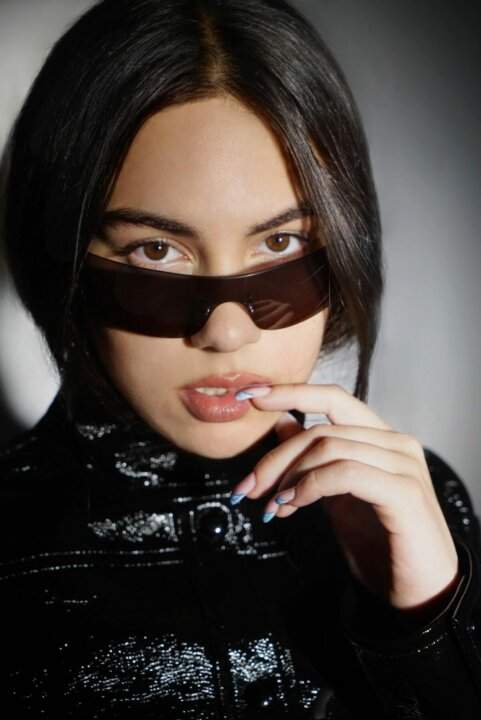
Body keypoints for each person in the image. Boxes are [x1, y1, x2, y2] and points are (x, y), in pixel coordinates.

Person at [1, 0, 480, 717]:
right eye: (155, 252)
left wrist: (426, 621)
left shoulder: (413, 508)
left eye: (280, 245)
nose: (226, 332)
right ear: (61, 250)